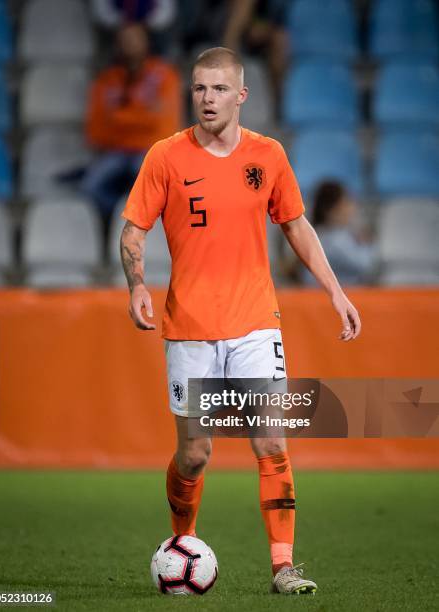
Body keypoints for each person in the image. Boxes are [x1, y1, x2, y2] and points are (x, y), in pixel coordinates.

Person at [120, 47, 361, 595]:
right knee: (196, 452)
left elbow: (297, 225)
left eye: (220, 89)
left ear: (241, 95)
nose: (208, 99)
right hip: (191, 327)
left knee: (271, 441)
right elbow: (132, 231)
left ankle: (283, 568)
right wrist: (136, 284)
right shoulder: (165, 157)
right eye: (200, 89)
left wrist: (336, 291)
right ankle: (181, 541)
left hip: (256, 321)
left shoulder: (268, 156)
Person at [82, 22, 181, 221]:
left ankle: (143, 225)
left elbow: (165, 125)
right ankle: (120, 219)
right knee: (90, 186)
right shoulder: (106, 79)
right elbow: (96, 129)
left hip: (150, 150)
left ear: (147, 42)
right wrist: (143, 116)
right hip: (115, 150)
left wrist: (120, 118)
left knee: (156, 186)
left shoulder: (165, 76)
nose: (130, 44)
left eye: (135, 38)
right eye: (125, 39)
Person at [302, 181, 376, 287]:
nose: (351, 208)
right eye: (346, 204)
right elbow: (366, 265)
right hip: (323, 297)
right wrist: (367, 243)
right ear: (330, 210)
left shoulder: (320, 233)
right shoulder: (334, 240)